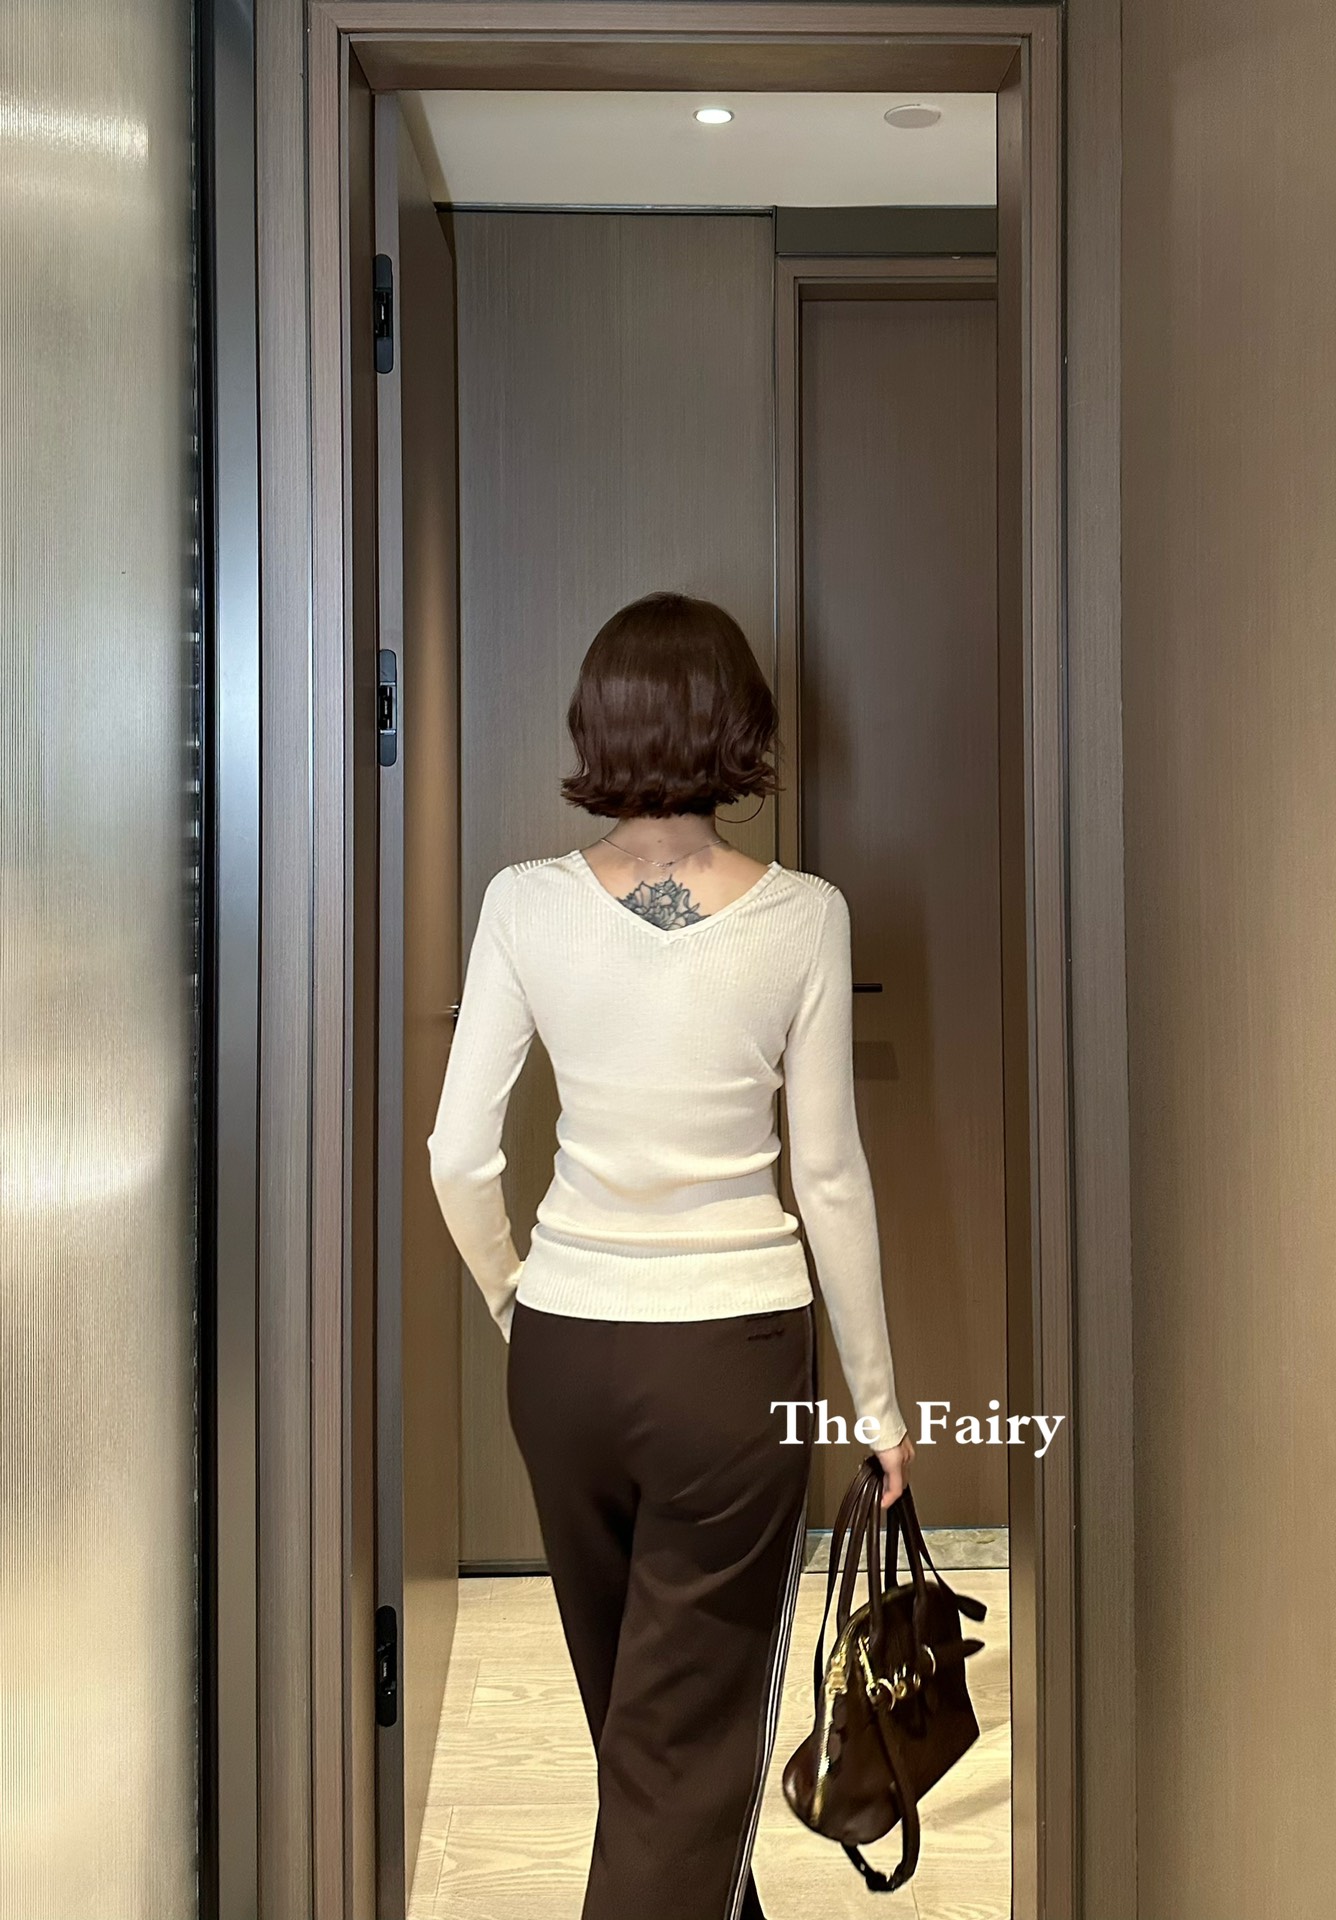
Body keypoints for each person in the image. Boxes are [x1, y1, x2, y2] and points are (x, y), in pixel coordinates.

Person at [427, 589, 914, 1920]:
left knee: (644, 1730)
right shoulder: (804, 917)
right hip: (733, 1366)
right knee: (679, 1748)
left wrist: (519, 1302)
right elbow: (827, 1175)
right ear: (736, 729)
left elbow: (459, 1156)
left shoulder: (522, 905)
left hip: (565, 1359)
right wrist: (878, 1405)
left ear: (596, 723)